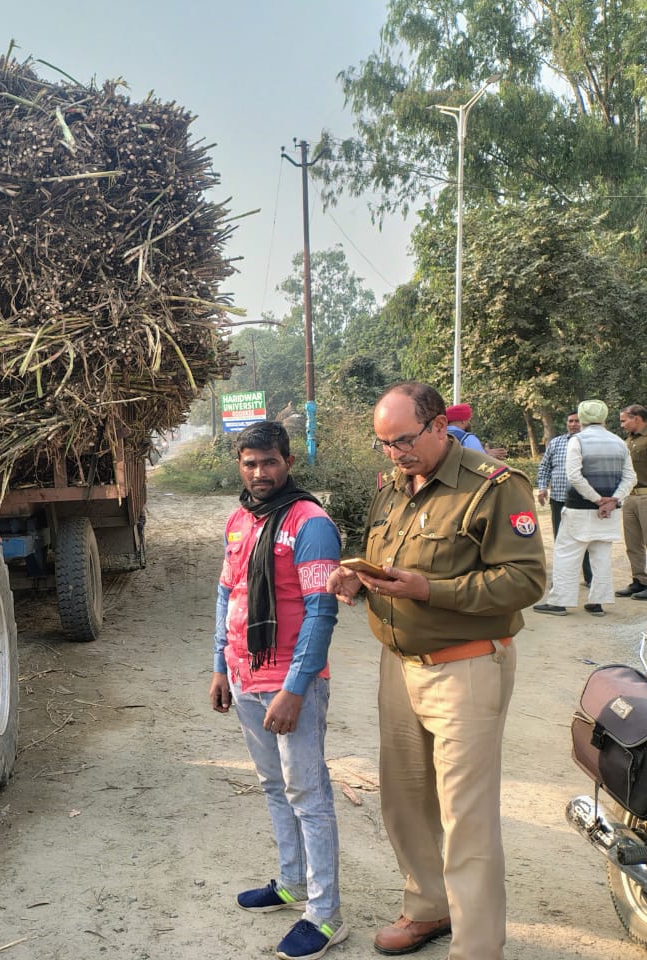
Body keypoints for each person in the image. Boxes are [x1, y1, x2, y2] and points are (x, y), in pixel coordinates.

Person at [326, 381, 545, 960]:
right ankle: (428, 908)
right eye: (384, 444)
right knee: (405, 798)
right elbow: (390, 563)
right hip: (397, 666)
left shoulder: (494, 487)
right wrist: (359, 581)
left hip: (465, 665)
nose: (395, 454)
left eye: (403, 440)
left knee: (465, 818)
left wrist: (431, 590)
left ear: (439, 424)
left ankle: (476, 948)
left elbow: (525, 581)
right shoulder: (393, 489)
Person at [208, 420, 346, 960]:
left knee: (308, 794)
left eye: (269, 462)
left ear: (287, 461)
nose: (260, 472)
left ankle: (325, 913)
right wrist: (219, 666)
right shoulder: (240, 520)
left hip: (291, 683)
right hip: (243, 676)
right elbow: (226, 594)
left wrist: (294, 687)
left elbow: (320, 611)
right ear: (240, 466)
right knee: (273, 786)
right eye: (250, 463)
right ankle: (291, 883)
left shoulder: (310, 523)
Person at [534, 400, 636, 617]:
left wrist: (598, 499)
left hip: (579, 509)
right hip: (609, 511)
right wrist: (612, 500)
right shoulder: (618, 442)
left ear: (582, 418)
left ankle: (559, 602)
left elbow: (574, 476)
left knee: (566, 554)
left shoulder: (578, 440)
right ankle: (597, 603)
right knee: (601, 556)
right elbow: (630, 477)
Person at [536, 410, 592, 586]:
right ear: (566, 423)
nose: (573, 424)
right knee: (560, 540)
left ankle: (590, 578)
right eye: (570, 421)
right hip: (559, 500)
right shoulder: (556, 443)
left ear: (583, 423)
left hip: (584, 502)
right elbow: (544, 466)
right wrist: (542, 488)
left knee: (585, 540)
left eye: (577, 421)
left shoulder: (590, 444)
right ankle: (561, 581)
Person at [617, 403, 647, 599]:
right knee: (633, 543)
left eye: (624, 420)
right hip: (631, 496)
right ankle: (640, 580)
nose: (622, 424)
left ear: (637, 418)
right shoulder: (628, 441)